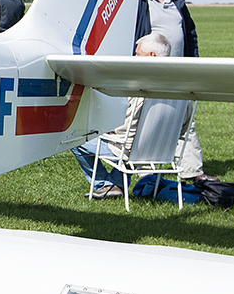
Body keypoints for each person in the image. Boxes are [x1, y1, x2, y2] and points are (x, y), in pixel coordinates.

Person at [73, 33, 190, 198]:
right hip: (163, 149)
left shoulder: (139, 86)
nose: (134, 57)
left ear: (151, 55)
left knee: (73, 140)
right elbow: (184, 125)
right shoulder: (181, 88)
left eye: (137, 54)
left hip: (129, 149)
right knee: (131, 141)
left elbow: (123, 127)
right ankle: (116, 185)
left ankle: (104, 184)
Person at [133, 0, 206, 182]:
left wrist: (192, 62)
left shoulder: (176, 1)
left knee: (185, 119)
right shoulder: (137, 1)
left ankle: (192, 170)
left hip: (180, 72)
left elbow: (190, 34)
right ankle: (146, 172)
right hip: (150, 74)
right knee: (149, 120)